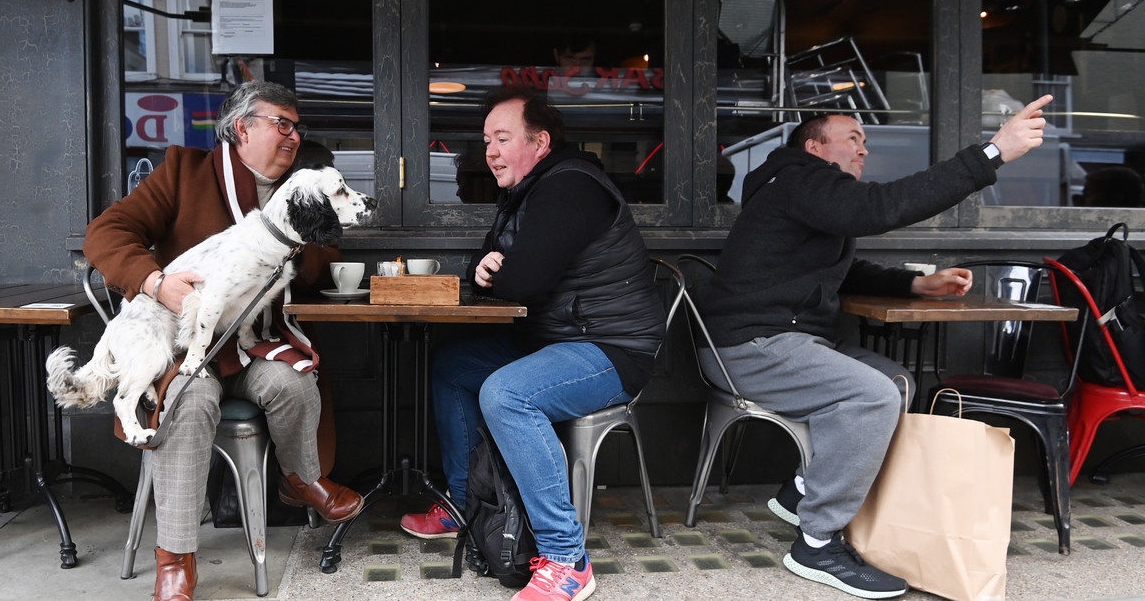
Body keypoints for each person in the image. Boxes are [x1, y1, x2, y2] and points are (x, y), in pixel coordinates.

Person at [699, 97, 1052, 599]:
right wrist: (993, 152)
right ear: (815, 146)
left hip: (781, 340)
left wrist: (914, 287)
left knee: (895, 382)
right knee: (873, 396)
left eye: (865, 139)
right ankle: (816, 542)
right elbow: (880, 208)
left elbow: (842, 270)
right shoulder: (802, 180)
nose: (864, 148)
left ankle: (800, 490)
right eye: (852, 138)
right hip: (749, 347)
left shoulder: (803, 192)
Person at [84, 80, 364, 601]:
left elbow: (313, 275)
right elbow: (106, 233)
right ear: (242, 127)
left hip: (257, 341)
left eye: (297, 127)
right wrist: (155, 282)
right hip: (185, 344)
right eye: (281, 124)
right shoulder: (184, 172)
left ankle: (300, 480)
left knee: (293, 383)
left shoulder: (304, 186)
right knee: (188, 404)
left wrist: (309, 231)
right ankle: (175, 557)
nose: (293, 136)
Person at [400, 88, 665, 601]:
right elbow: (491, 267)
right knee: (455, 365)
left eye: (502, 139)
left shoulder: (571, 189)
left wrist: (499, 273)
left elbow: (521, 283)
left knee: (506, 393)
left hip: (609, 349)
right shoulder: (525, 192)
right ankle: (464, 506)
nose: (490, 152)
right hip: (554, 341)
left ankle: (568, 559)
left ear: (540, 142)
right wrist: (490, 270)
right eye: (486, 141)